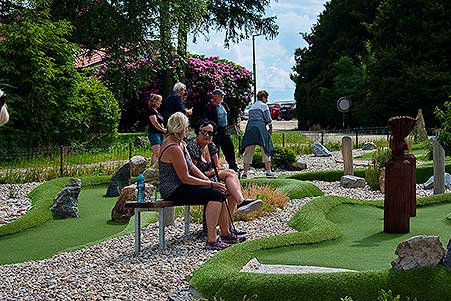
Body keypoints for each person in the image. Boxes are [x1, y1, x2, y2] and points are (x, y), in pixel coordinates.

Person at [158, 112, 243, 250]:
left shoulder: (180, 143)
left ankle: (225, 233)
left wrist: (209, 181)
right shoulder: (173, 147)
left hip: (182, 186)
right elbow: (185, 177)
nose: (187, 130)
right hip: (173, 189)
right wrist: (210, 184)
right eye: (186, 127)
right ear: (180, 127)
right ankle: (211, 240)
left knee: (218, 191)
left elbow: (192, 167)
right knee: (215, 194)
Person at [187, 119, 263, 235]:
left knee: (230, 191)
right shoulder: (192, 147)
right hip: (198, 181)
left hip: (210, 178)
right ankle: (241, 202)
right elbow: (193, 172)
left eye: (210, 133)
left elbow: (217, 168)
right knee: (230, 172)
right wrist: (211, 173)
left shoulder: (211, 146)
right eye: (203, 132)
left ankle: (226, 228)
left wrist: (212, 173)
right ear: (197, 132)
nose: (207, 135)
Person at [240, 90, 276, 179]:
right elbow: (268, 119)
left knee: (249, 150)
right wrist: (270, 130)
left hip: (250, 127)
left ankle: (244, 173)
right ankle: (268, 171)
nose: (267, 100)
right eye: (266, 98)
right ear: (263, 97)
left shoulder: (252, 106)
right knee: (265, 148)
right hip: (260, 127)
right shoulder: (264, 106)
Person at [203, 89, 238, 172]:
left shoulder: (223, 105)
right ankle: (214, 166)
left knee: (229, 146)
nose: (222, 97)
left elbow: (228, 113)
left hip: (224, 129)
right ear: (216, 96)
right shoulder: (210, 105)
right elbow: (206, 117)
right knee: (215, 148)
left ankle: (233, 165)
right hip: (215, 130)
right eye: (221, 95)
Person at [146, 94, 167, 164]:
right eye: (159, 101)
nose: (160, 103)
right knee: (157, 153)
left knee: (157, 152)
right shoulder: (151, 111)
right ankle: (154, 168)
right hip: (154, 134)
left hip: (159, 134)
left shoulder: (157, 111)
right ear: (155, 102)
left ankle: (153, 167)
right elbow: (154, 122)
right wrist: (162, 129)